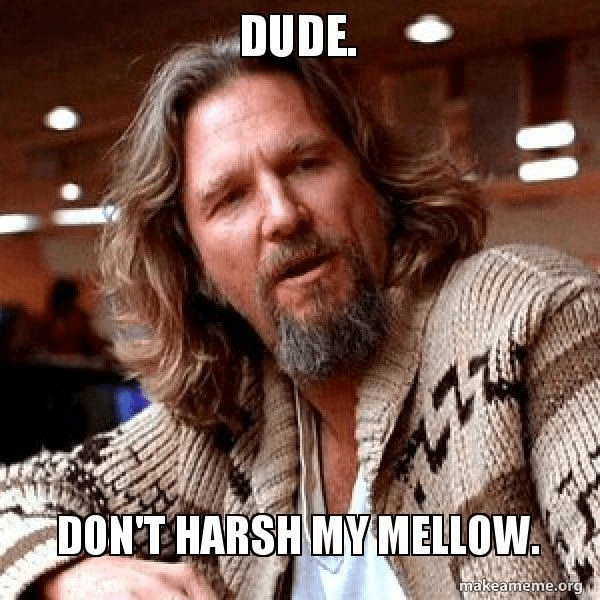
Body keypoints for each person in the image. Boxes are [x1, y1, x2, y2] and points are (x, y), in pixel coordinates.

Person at [1, 32, 599, 600]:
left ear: (374, 183)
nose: (283, 215)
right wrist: (69, 572)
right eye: (230, 197)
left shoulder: (529, 321)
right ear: (197, 266)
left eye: (307, 164)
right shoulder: (232, 424)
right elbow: (16, 498)